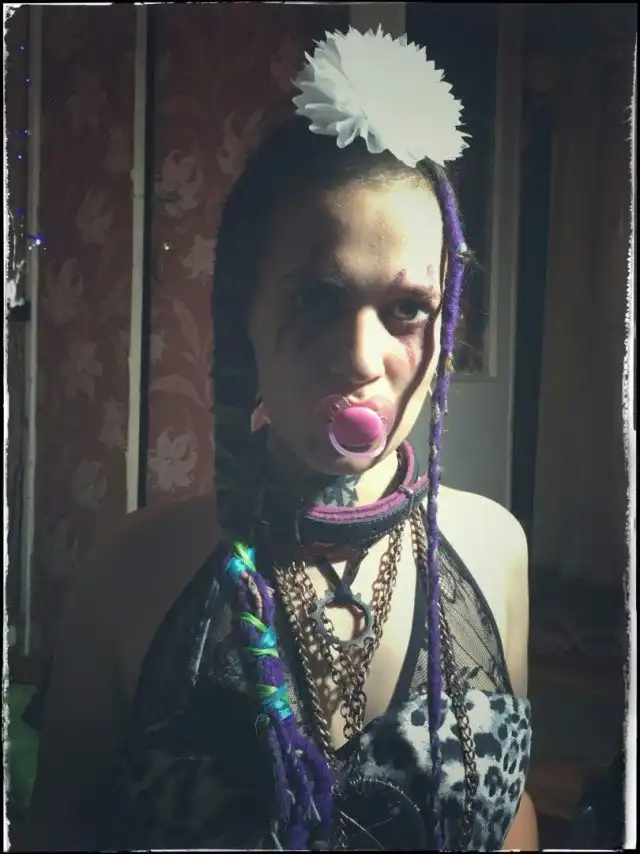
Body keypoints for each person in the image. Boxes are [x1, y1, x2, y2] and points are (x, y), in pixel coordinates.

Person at [20, 27, 539, 851]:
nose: (361, 358)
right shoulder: (130, 573)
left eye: (407, 308)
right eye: (315, 300)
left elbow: (513, 817)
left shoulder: (497, 548)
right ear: (245, 318)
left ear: (446, 326)